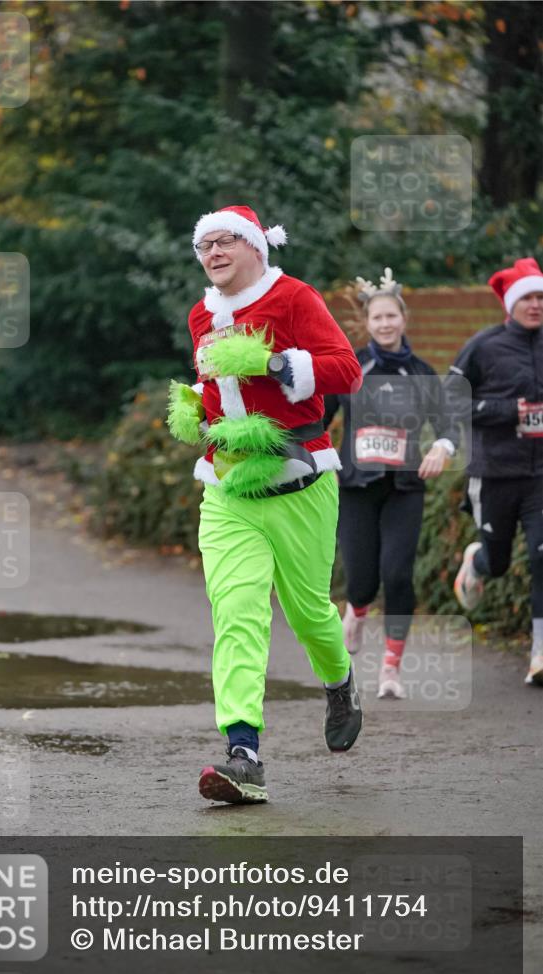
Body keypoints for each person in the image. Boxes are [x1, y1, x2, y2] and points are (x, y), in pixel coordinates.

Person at [167, 204, 363, 805]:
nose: (214, 253)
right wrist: (195, 408)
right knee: (238, 614)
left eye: (226, 241)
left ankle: (339, 681)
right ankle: (243, 754)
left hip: (299, 483)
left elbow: (347, 371)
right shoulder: (202, 312)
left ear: (256, 246)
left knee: (307, 614)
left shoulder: (294, 298)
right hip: (227, 490)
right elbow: (215, 384)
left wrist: (273, 363)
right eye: (205, 245)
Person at [323, 268, 455, 698]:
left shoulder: (421, 372)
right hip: (357, 488)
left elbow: (448, 423)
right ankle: (357, 612)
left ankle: (391, 670)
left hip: (404, 488)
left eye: (391, 317)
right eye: (377, 318)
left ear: (403, 320)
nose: (384, 324)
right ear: (368, 321)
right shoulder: (351, 366)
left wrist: (443, 448)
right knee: (361, 579)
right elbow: (320, 419)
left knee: (397, 576)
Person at [448, 257, 543, 686]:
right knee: (500, 560)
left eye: (542, 297)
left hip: (540, 474)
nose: (537, 305)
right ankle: (479, 561)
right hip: (495, 472)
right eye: (529, 298)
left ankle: (539, 653)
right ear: (511, 304)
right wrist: (508, 411)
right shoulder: (483, 346)